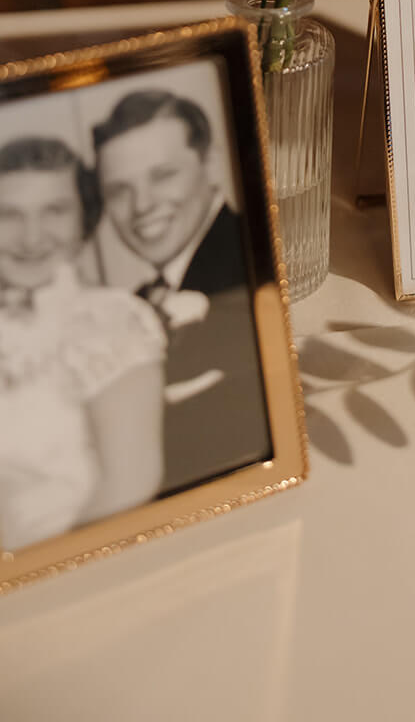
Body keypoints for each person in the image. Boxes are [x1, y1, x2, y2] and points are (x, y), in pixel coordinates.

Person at [93, 89, 270, 495]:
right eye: (119, 190)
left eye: (162, 175)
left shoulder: (250, 269)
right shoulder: (139, 301)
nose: (141, 205)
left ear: (209, 162)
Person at [0, 136, 165, 554]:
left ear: (83, 222)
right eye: (9, 215)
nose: (30, 237)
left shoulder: (108, 323)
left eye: (54, 211)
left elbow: (129, 491)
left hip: (73, 574)